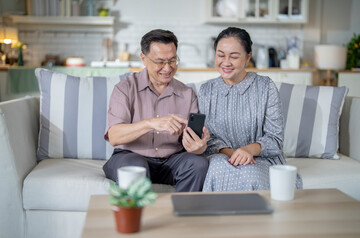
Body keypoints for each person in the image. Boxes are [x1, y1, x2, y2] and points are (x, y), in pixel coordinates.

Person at [103, 29, 210, 192]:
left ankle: (182, 214)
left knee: (198, 163)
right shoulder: (125, 88)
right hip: (130, 157)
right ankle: (138, 217)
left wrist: (199, 146)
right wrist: (152, 124)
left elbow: (192, 142)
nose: (167, 68)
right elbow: (114, 136)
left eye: (173, 60)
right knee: (135, 167)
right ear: (143, 59)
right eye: (160, 62)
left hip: (172, 160)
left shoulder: (187, 94)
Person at [198, 27, 302, 192]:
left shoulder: (265, 87)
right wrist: (233, 153)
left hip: (260, 159)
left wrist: (248, 150)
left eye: (234, 56)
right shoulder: (206, 91)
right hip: (220, 157)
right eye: (220, 55)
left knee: (250, 174)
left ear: (247, 58)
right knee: (215, 170)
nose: (226, 62)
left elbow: (275, 139)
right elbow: (207, 138)